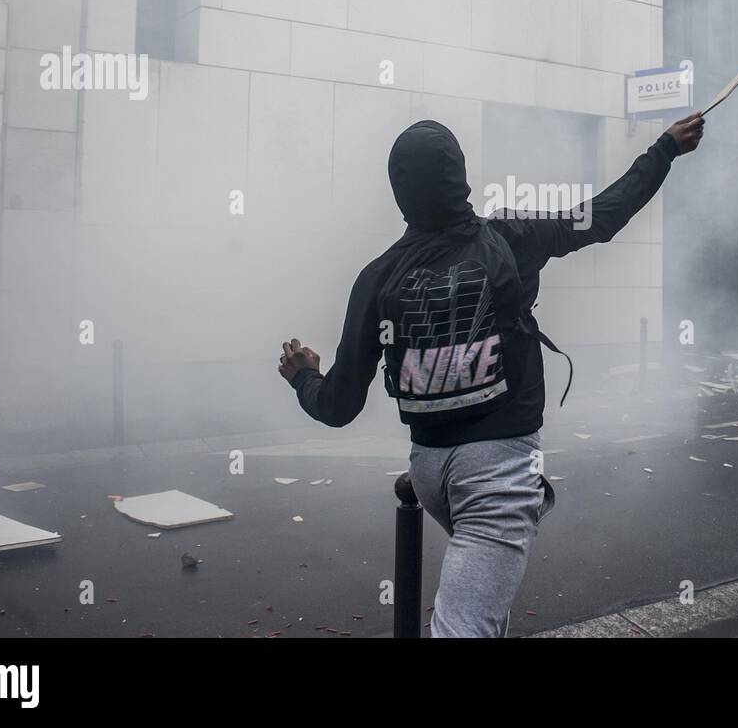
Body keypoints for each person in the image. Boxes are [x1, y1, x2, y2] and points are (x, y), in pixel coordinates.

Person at [278, 111, 705, 636]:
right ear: (462, 177)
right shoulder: (511, 237)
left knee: (482, 615)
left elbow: (338, 407)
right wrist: (664, 149)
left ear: (397, 191)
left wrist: (305, 377)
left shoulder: (376, 278)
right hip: (497, 480)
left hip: (429, 472)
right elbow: (602, 215)